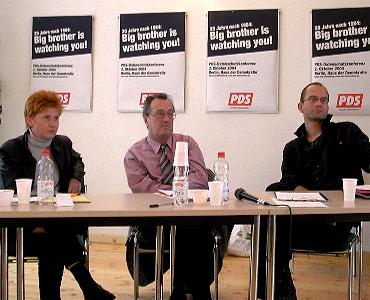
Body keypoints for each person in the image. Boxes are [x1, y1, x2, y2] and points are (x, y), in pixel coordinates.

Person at [258, 82, 370, 300]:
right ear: (300, 106)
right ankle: (278, 288)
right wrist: (315, 203)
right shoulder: (292, 148)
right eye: (313, 99)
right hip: (302, 223)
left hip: (336, 226)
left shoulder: (346, 132)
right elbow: (288, 182)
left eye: (324, 100)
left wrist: (327, 208)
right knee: (270, 210)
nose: (319, 103)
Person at [0, 90, 115, 300]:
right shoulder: (11, 149)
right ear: (29, 119)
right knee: (55, 237)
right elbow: (13, 189)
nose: (53, 123)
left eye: (56, 118)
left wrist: (76, 178)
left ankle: (64, 294)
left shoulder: (62, 143)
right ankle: (86, 284)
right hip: (24, 227)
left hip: (56, 221)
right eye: (46, 117)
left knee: (53, 236)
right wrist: (35, 218)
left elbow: (77, 161)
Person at [124, 93, 228, 300]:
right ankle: (197, 289)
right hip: (154, 222)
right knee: (190, 225)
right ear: (146, 119)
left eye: (171, 114)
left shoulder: (187, 142)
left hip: (191, 216)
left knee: (192, 223)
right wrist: (178, 188)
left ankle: (181, 288)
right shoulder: (134, 154)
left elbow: (200, 179)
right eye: (160, 114)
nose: (166, 119)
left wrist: (168, 188)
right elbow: (144, 191)